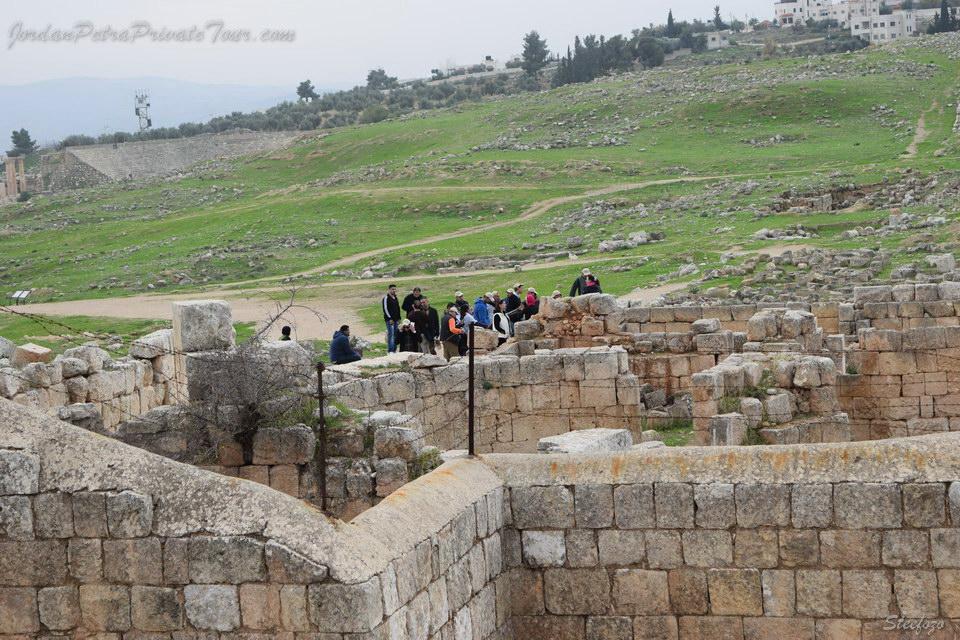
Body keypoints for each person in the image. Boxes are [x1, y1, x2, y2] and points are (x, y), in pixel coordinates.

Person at [382, 284, 402, 353]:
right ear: (389, 289)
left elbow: (398, 308)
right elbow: (385, 309)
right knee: (391, 334)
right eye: (392, 289)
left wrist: (399, 318)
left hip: (396, 319)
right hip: (390, 320)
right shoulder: (386, 298)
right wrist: (389, 318)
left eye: (394, 289)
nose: (394, 290)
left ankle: (394, 349)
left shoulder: (395, 297)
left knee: (396, 334)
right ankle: (390, 350)